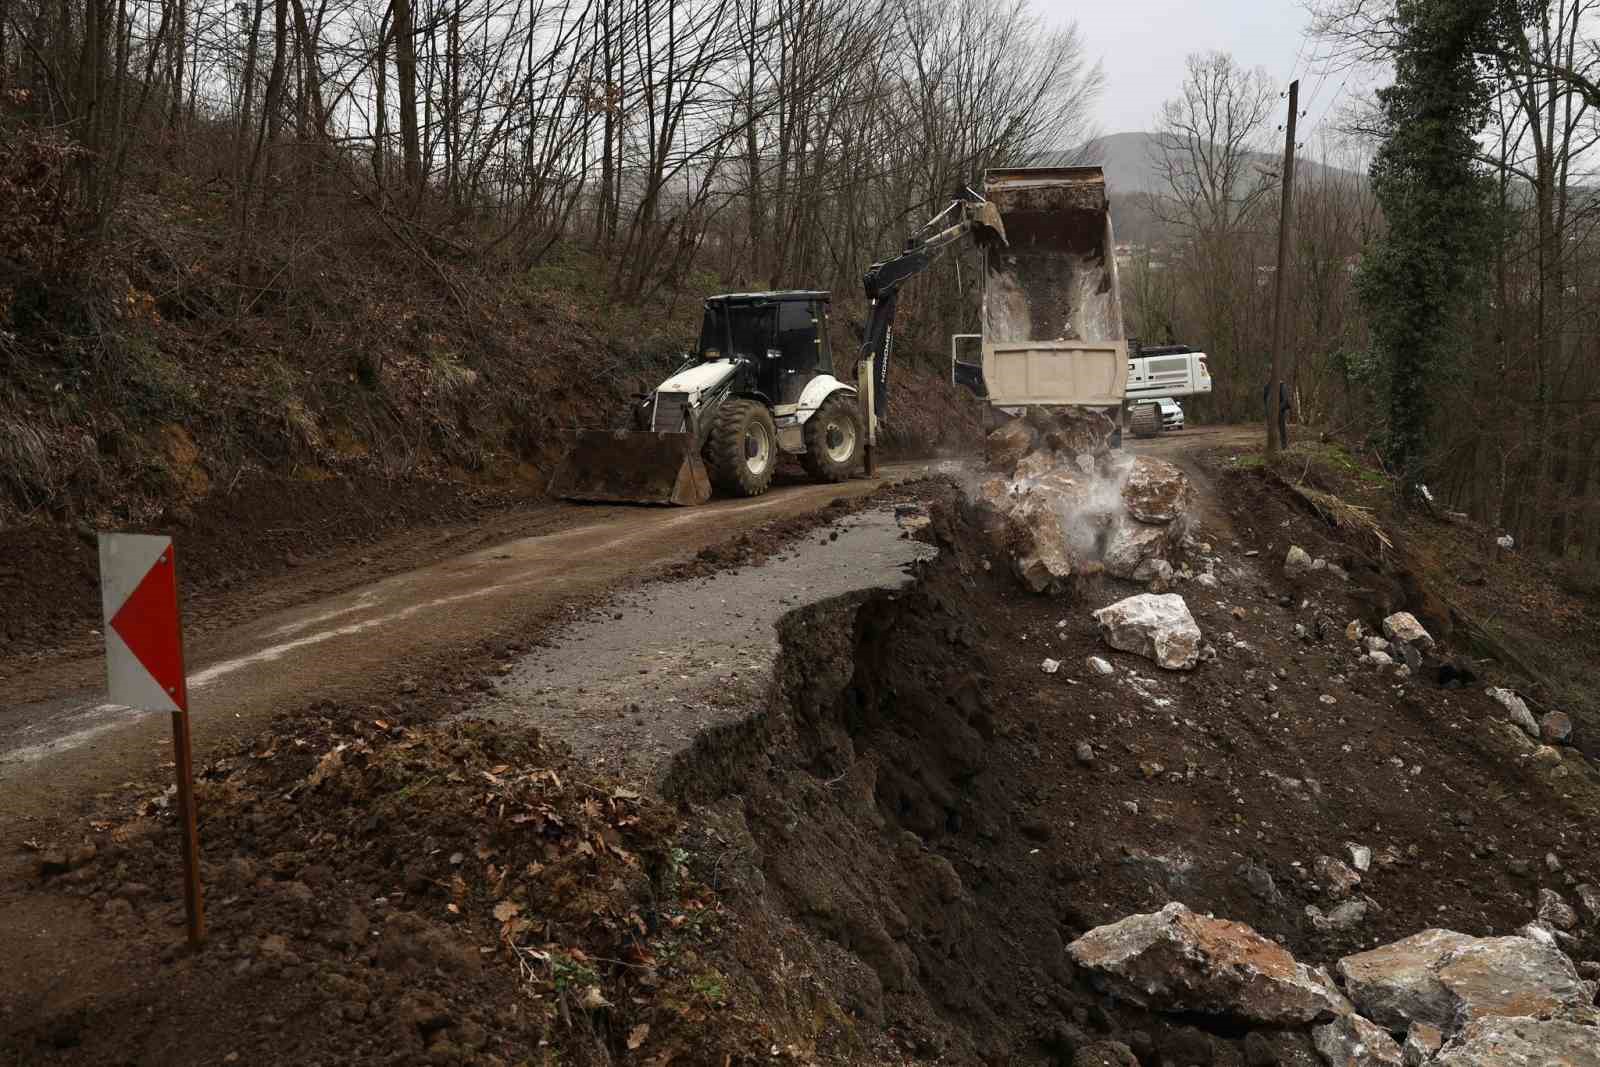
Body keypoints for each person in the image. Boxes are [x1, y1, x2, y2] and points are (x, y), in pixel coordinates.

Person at [1263, 380, 1290, 446]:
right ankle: (1272, 445)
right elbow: (1265, 399)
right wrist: (1268, 411)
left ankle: (1284, 445)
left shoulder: (1282, 385)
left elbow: (1285, 400)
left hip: (1280, 411)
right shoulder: (1267, 386)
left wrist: (1278, 409)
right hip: (1270, 412)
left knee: (1282, 429)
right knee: (1271, 429)